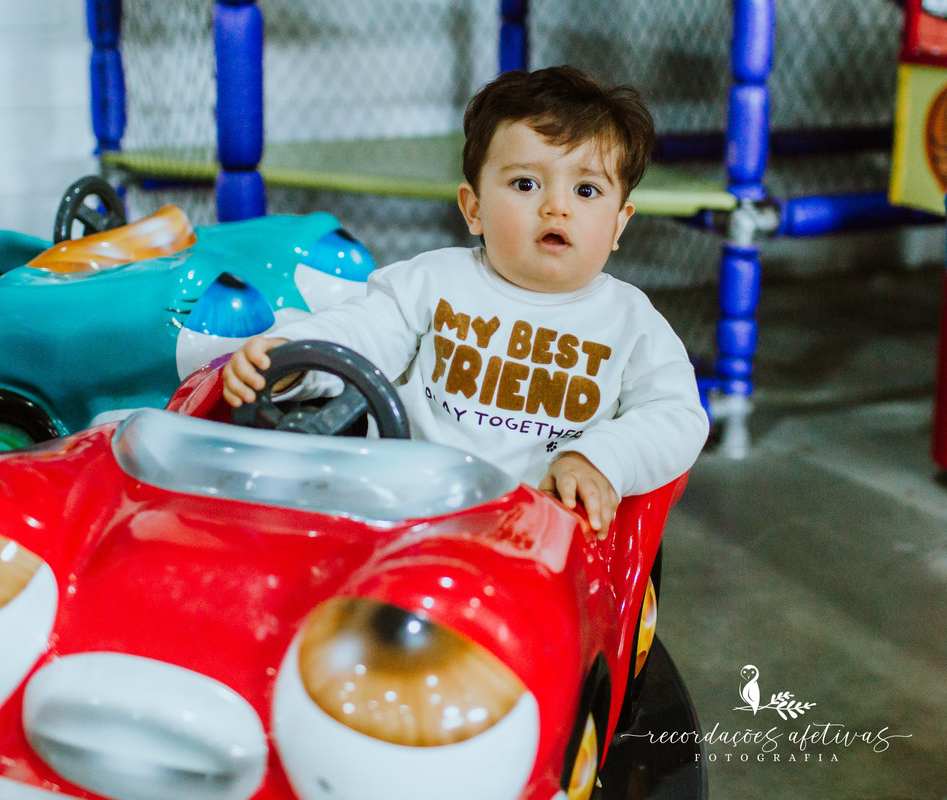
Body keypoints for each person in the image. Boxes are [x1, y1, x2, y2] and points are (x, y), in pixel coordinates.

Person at [222, 65, 709, 532]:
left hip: (541, 535)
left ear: (619, 224)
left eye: (586, 190)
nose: (556, 206)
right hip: (404, 513)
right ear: (474, 209)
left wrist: (599, 460)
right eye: (525, 184)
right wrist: (290, 356)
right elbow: (361, 330)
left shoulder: (631, 322)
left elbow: (677, 415)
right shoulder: (432, 281)